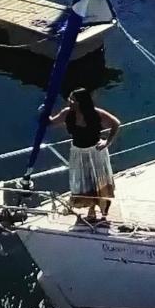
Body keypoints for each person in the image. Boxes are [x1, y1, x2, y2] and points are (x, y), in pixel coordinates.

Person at [47, 88, 121, 222]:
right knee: (83, 180)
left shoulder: (96, 113)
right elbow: (52, 122)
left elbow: (116, 123)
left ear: (80, 102)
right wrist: (44, 113)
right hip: (78, 152)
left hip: (95, 151)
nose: (69, 102)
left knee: (97, 180)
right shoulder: (67, 113)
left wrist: (107, 142)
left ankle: (100, 205)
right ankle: (91, 206)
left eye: (72, 100)